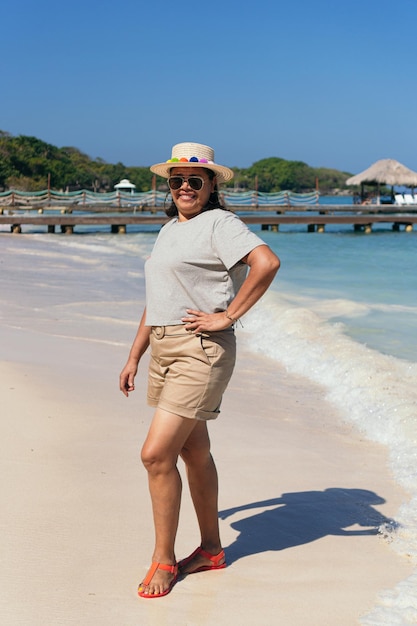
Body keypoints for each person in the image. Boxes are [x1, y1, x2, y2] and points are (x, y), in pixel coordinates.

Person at [119, 142, 280, 598]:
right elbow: (159, 300)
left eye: (195, 180)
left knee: (154, 456)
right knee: (193, 452)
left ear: (211, 185)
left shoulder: (220, 224)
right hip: (165, 348)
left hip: (201, 351)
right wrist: (135, 355)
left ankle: (163, 560)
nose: (185, 188)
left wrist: (227, 316)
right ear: (168, 187)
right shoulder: (170, 229)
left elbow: (266, 263)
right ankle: (211, 549)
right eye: (177, 181)